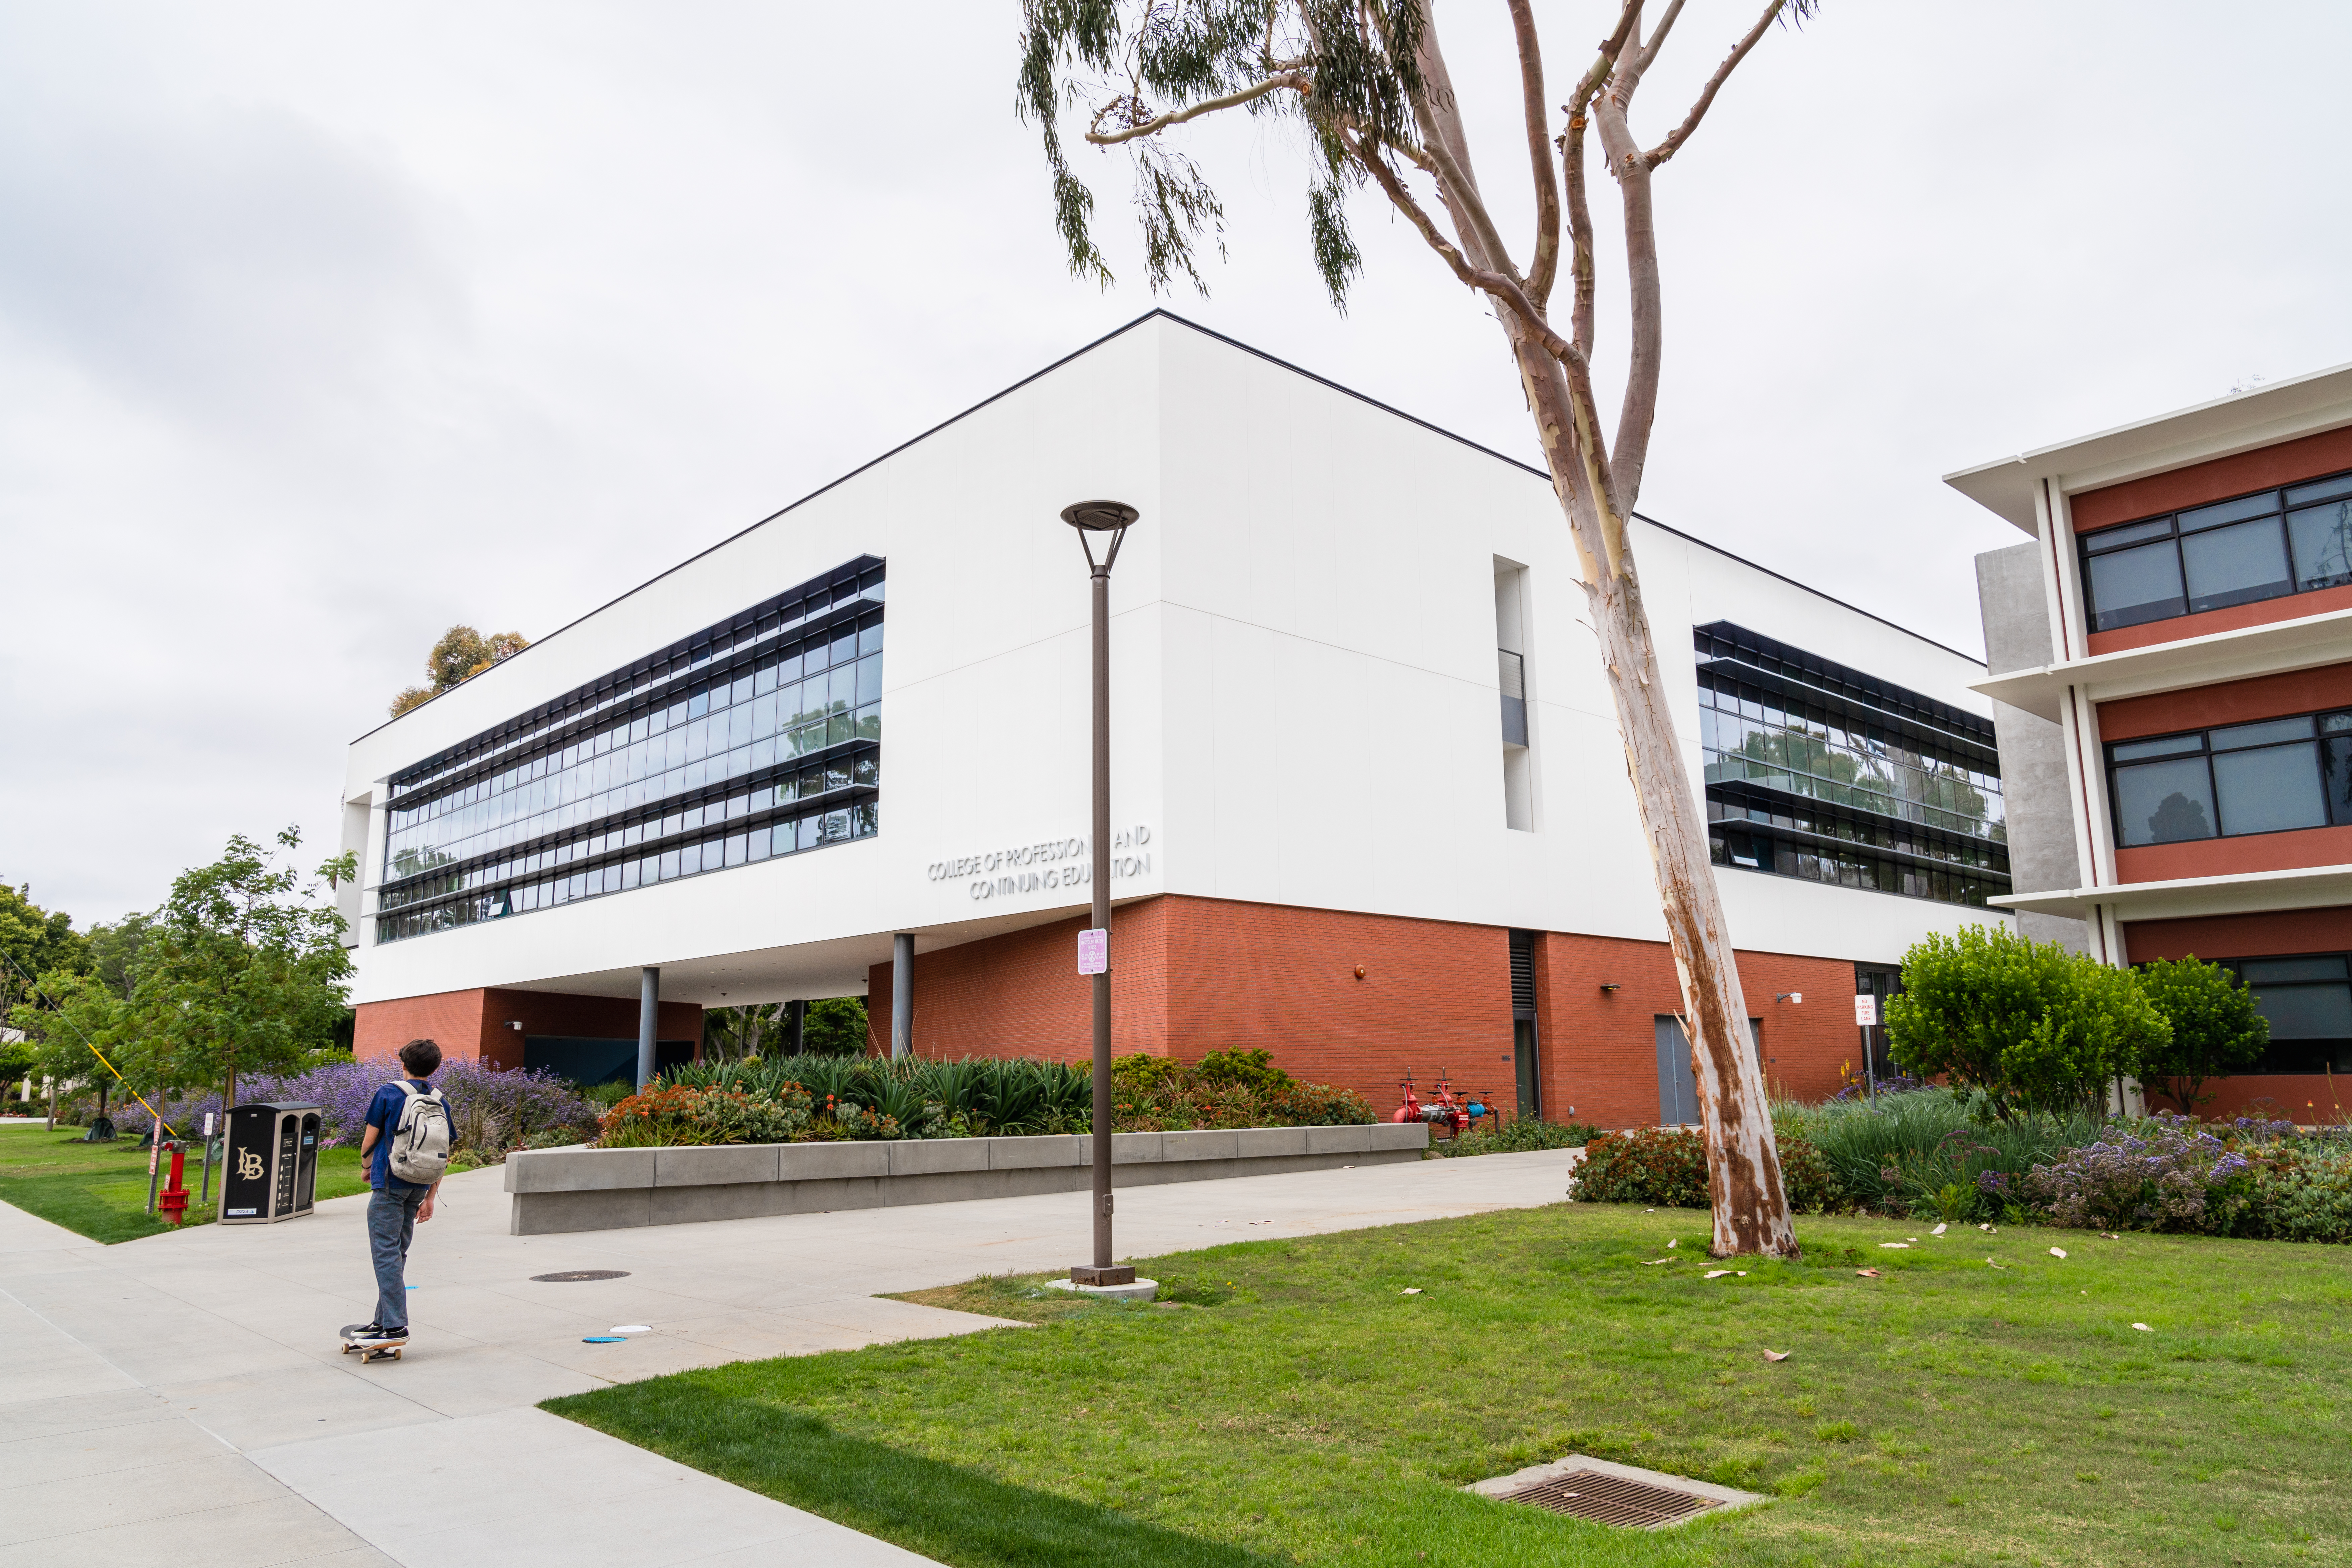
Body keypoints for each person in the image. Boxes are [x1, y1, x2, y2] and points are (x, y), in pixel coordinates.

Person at [349, 1038, 449, 1349]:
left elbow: (370, 1140)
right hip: (419, 1185)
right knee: (396, 1253)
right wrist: (431, 1196)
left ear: (403, 1064)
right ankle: (383, 1320)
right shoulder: (439, 1099)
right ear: (435, 1068)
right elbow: (442, 1151)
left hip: (391, 1182)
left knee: (385, 1252)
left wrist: (367, 1166)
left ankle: (395, 1326)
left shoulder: (389, 1093)